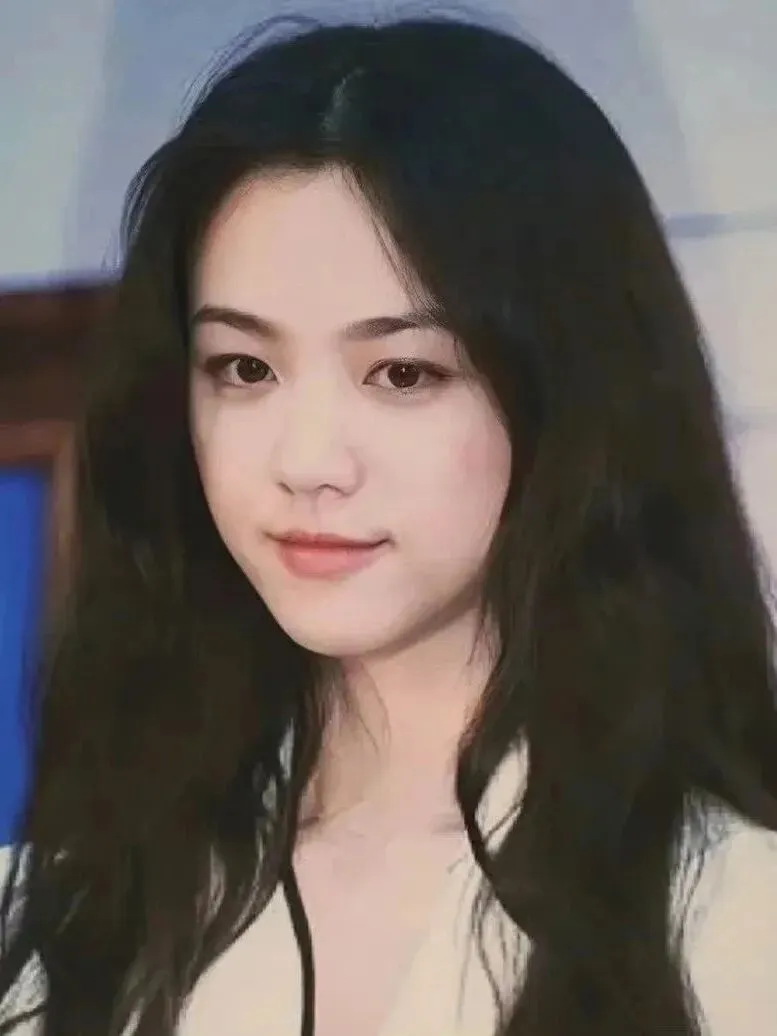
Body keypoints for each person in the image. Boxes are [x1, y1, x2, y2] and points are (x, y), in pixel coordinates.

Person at [2, 13, 777, 1036]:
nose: (308, 462)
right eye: (245, 368)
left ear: (568, 393)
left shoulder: (739, 916)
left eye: (402, 373)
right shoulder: (52, 921)